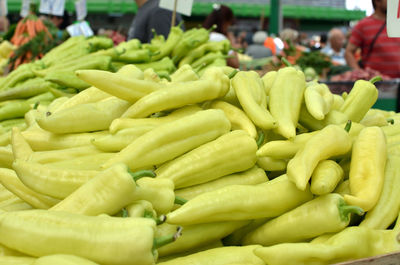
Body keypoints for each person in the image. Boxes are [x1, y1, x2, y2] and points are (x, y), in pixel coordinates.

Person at [345, 0, 400, 78]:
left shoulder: (397, 24)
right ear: (377, 1)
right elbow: (348, 52)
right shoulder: (363, 25)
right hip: (376, 84)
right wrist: (359, 72)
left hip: (397, 84)